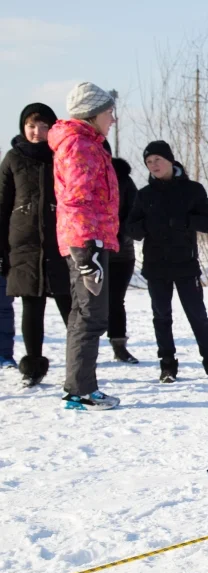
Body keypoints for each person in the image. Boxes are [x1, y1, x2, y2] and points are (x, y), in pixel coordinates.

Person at [48, 83, 120, 410]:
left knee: (84, 315)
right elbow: (76, 200)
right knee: (91, 316)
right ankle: (81, 391)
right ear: (92, 113)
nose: (113, 119)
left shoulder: (84, 143)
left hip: (85, 238)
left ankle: (78, 388)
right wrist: (89, 249)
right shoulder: (80, 146)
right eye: (109, 112)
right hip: (86, 240)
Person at [127, 141, 208, 383]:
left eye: (157, 159)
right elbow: (131, 228)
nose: (154, 165)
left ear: (170, 160)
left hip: (185, 265)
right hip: (156, 266)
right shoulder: (144, 195)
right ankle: (167, 364)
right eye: (149, 162)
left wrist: (185, 222)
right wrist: (148, 225)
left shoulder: (192, 190)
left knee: (197, 314)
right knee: (162, 316)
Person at [0, 103, 72, 384]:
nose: (36, 131)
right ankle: (32, 367)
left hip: (61, 242)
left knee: (69, 304)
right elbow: (3, 205)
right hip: (25, 244)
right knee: (32, 305)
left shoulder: (63, 155)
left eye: (43, 126)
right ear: (23, 127)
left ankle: (79, 364)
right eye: (31, 125)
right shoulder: (13, 159)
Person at [105, 140, 139, 364]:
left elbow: (135, 215)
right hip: (88, 251)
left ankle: (119, 347)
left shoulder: (124, 180)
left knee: (116, 300)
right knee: (86, 304)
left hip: (120, 252)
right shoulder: (81, 177)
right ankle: (83, 352)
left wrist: (118, 235)